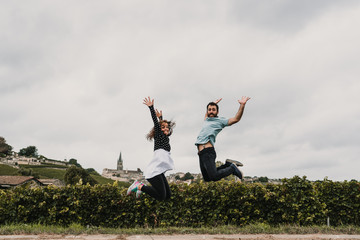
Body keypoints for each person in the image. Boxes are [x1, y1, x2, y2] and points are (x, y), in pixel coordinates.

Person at [127, 96, 175, 200]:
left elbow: (162, 125)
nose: (166, 128)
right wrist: (151, 108)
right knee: (161, 196)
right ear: (159, 130)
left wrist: (161, 118)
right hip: (154, 170)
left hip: (159, 171)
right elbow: (157, 124)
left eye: (167, 127)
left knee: (167, 196)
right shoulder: (159, 135)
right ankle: (139, 186)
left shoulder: (165, 138)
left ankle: (141, 188)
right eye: (163, 127)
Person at [195, 97, 251, 182]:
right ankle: (227, 165)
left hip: (208, 151)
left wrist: (242, 105)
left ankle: (232, 168)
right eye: (209, 109)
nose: (211, 111)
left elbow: (236, 119)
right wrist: (214, 103)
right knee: (207, 178)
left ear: (217, 112)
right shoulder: (206, 119)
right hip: (201, 153)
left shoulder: (220, 121)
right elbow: (207, 113)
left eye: (213, 109)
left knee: (214, 176)